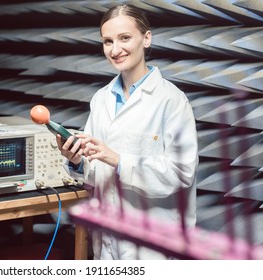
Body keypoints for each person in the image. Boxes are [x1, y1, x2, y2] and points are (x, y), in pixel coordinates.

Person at [56, 4, 199, 260]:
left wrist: (118, 160)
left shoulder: (172, 101)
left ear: (146, 38)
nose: (115, 50)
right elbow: (96, 171)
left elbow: (182, 173)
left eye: (124, 38)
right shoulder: (101, 99)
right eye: (107, 41)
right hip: (108, 241)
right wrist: (77, 160)